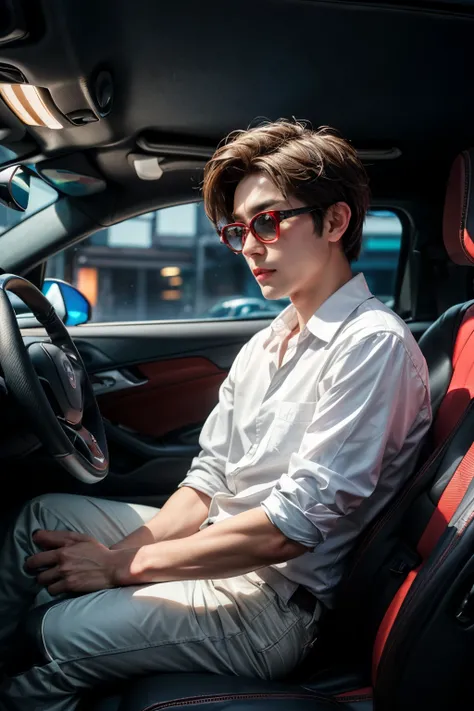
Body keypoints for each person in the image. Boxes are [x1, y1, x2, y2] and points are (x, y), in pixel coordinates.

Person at [0, 120, 431, 711]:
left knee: (46, 641)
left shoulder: (371, 346)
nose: (250, 246)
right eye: (237, 230)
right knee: (40, 518)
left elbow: (290, 527)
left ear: (335, 221)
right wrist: (117, 558)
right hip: (221, 550)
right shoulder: (267, 341)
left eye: (268, 221)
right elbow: (207, 484)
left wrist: (121, 566)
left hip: (273, 604)